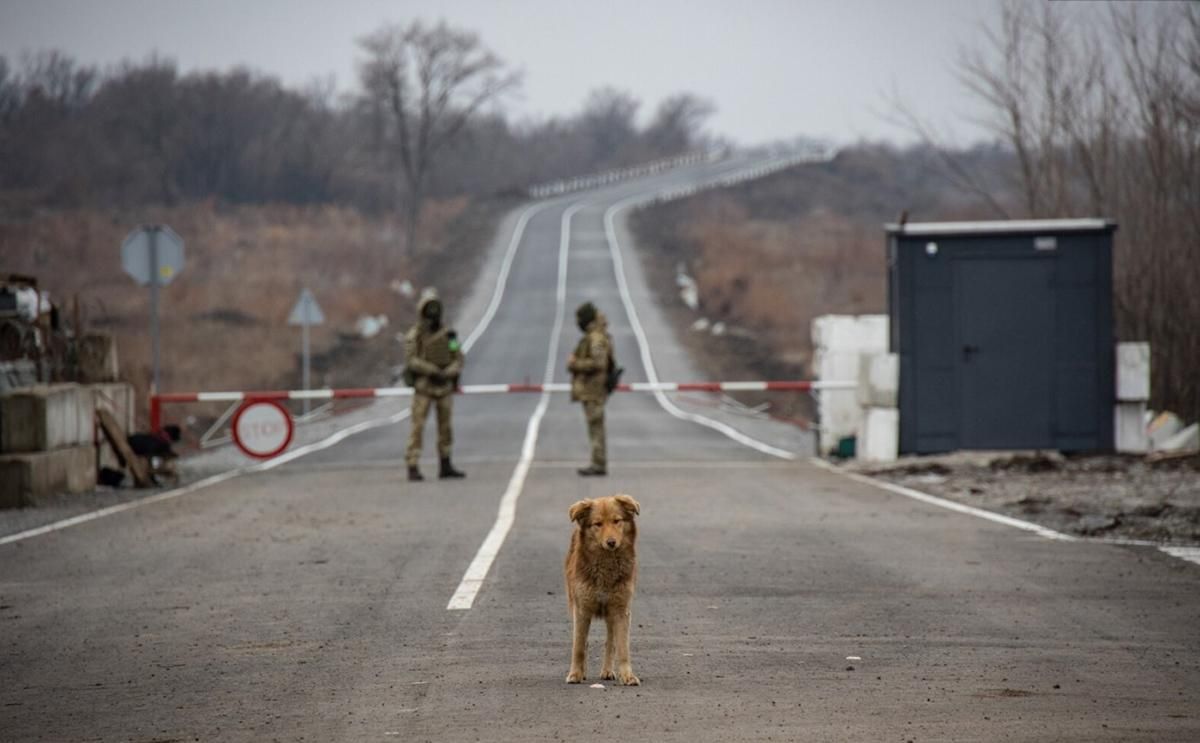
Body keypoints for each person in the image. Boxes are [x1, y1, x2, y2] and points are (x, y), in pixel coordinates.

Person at [403, 288, 465, 481]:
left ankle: (445, 463)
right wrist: (431, 370)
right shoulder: (416, 335)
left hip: (444, 386)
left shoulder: (449, 336)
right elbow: (411, 360)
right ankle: (413, 464)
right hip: (424, 387)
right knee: (417, 427)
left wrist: (448, 372)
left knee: (446, 428)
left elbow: (457, 357)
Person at [567, 301, 612, 476]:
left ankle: (598, 463)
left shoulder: (596, 338)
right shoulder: (594, 336)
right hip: (591, 389)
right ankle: (597, 461)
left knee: (596, 426)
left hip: (594, 389)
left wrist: (575, 364)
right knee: (594, 426)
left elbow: (598, 363)